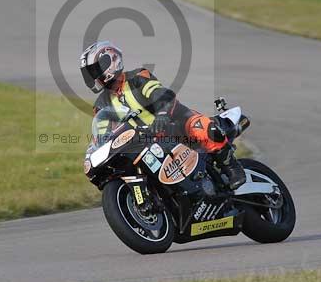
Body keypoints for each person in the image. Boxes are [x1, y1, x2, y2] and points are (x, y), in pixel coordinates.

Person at [79, 40, 246, 190]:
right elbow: (102, 134)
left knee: (204, 128)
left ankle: (232, 167)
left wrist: (162, 114)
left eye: (95, 69)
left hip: (175, 123)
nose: (94, 75)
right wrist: (94, 153)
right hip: (142, 144)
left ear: (111, 60)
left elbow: (160, 94)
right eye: (90, 72)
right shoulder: (101, 105)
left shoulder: (137, 78)